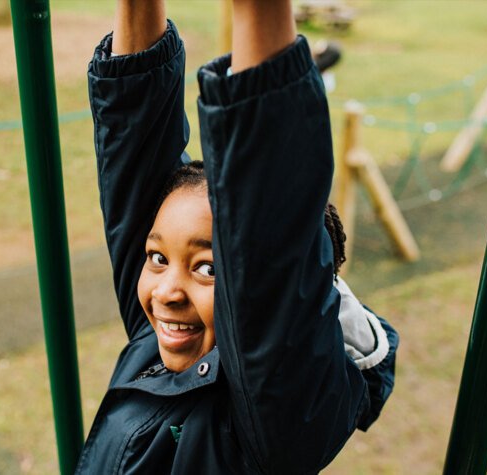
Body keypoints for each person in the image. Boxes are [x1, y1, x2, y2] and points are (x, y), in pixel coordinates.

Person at [79, 0, 398, 473]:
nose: (165, 292)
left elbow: (270, 228)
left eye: (206, 268)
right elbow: (133, 136)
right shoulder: (162, 337)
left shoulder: (271, 422)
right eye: (157, 257)